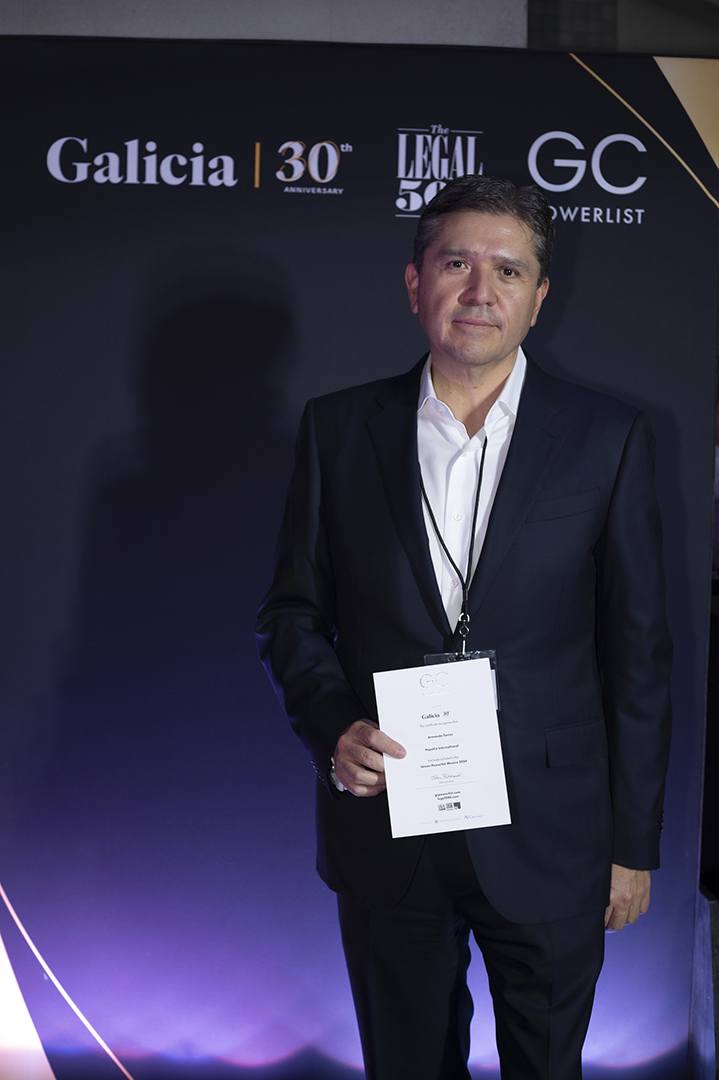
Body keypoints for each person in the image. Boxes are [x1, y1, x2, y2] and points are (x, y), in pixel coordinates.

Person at [256, 175, 672, 1080]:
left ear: (539, 296)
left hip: (552, 833)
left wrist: (631, 847)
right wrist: (332, 727)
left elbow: (637, 654)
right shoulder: (338, 429)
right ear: (415, 283)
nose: (480, 291)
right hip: (389, 821)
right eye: (456, 264)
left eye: (508, 270)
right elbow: (291, 613)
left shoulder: (609, 438)